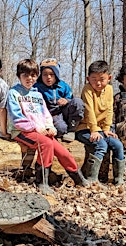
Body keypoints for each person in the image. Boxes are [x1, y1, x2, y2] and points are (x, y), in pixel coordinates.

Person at [7, 59, 88, 195]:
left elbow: (46, 115)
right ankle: (41, 181)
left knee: (63, 152)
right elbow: (17, 119)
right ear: (19, 76)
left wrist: (50, 127)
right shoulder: (14, 93)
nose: (29, 79)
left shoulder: (37, 94)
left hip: (41, 131)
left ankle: (78, 178)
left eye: (33, 75)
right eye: (25, 75)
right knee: (45, 145)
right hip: (22, 131)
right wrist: (35, 128)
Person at [75, 60, 126, 186]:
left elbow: (109, 109)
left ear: (109, 78)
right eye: (94, 79)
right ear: (88, 79)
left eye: (102, 79)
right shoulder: (87, 89)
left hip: (101, 130)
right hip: (85, 128)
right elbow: (89, 110)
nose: (98, 83)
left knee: (118, 145)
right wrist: (94, 129)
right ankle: (92, 179)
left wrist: (107, 128)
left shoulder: (109, 89)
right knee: (101, 145)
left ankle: (119, 179)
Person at [34, 58, 84, 142]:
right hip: (50, 115)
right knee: (61, 128)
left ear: (56, 75)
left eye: (51, 74)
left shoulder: (63, 86)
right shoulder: (36, 87)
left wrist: (66, 100)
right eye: (45, 74)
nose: (48, 77)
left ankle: (72, 130)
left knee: (78, 102)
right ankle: (62, 131)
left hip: (64, 111)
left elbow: (71, 99)